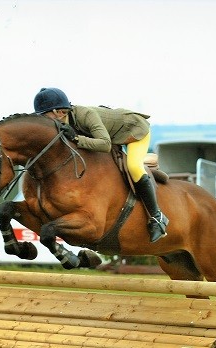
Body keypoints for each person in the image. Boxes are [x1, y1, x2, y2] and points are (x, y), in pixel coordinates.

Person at [33, 87, 168, 243]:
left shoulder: (86, 115)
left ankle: (157, 218)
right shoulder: (63, 121)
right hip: (112, 135)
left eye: (44, 115)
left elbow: (105, 145)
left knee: (134, 167)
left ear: (59, 112)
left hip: (134, 132)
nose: (42, 119)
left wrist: (76, 139)